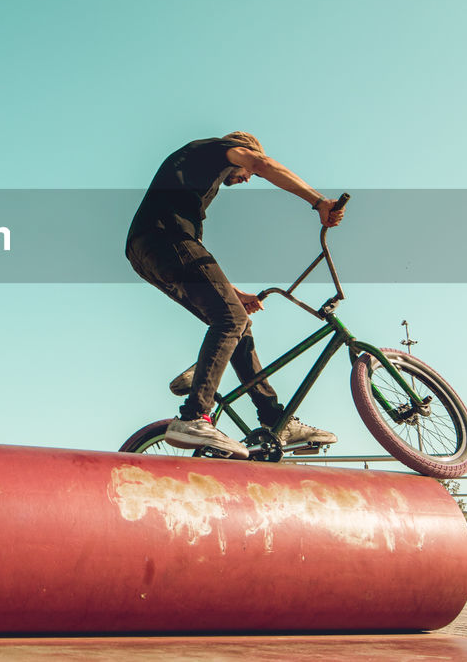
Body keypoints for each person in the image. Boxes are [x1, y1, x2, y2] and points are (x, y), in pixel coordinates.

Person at [125, 132, 345, 458]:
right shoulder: (218, 150)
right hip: (164, 240)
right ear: (240, 152)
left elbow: (193, 257)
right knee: (231, 319)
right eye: (249, 175)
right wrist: (318, 202)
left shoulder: (195, 176)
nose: (248, 179)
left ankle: (274, 418)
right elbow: (261, 162)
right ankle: (194, 416)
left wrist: (234, 291)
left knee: (236, 322)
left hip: (147, 253)